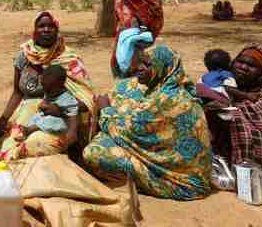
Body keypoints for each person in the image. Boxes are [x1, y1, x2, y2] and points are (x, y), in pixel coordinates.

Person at [83, 45, 212, 200]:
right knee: (122, 97)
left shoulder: (167, 100)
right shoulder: (165, 87)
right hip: (169, 159)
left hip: (178, 178)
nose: (139, 68)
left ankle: (135, 181)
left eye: (147, 64)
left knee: (94, 153)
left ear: (163, 67)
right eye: (140, 62)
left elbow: (124, 130)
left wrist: (105, 109)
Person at [0, 11, 95, 161]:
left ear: (57, 29)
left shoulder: (69, 59)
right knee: (0, 144)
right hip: (25, 113)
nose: (46, 29)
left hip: (56, 118)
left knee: (32, 144)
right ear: (34, 29)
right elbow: (17, 93)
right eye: (41, 26)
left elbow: (87, 99)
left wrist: (59, 109)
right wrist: (3, 119)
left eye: (51, 26)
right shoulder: (25, 55)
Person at [205, 44, 262, 190]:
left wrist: (227, 110)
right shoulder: (222, 85)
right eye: (240, 61)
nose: (243, 67)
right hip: (224, 151)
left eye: (252, 65)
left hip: (256, 158)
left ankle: (255, 180)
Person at [3, 65, 83, 160]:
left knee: (51, 120)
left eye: (48, 89)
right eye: (44, 88)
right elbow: (43, 104)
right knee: (36, 117)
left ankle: (29, 130)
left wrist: (69, 137)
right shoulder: (50, 91)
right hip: (46, 119)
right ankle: (27, 133)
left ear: (60, 85)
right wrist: (44, 106)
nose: (45, 91)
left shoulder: (67, 99)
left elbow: (73, 119)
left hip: (60, 124)